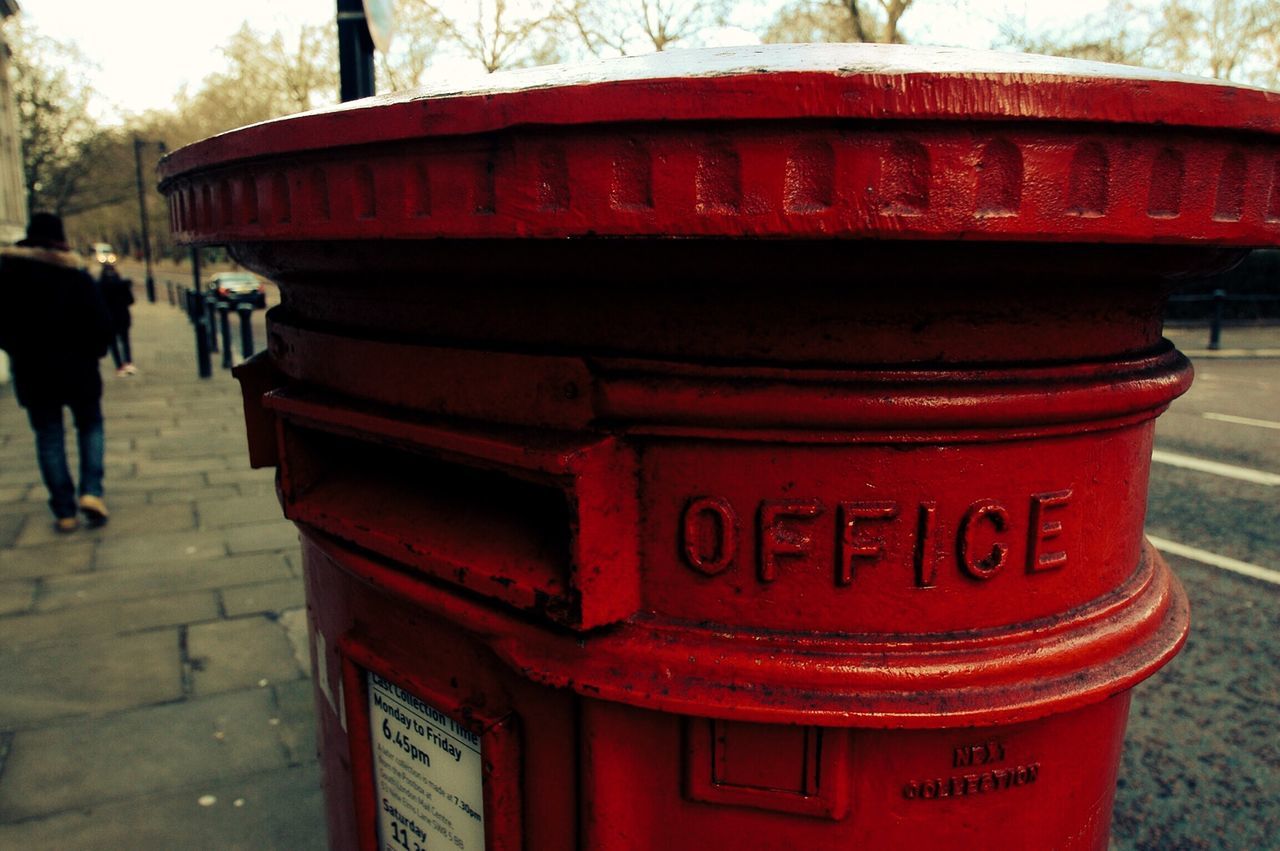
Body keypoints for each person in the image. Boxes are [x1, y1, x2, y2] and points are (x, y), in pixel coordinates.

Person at [0, 213, 114, 532]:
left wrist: (19, 352)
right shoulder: (75, 275)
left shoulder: (8, 275)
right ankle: (91, 491)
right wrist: (94, 351)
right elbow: (103, 324)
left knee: (49, 437)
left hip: (33, 373)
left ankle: (64, 511)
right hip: (79, 369)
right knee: (90, 426)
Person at [99, 264, 137, 376]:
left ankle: (119, 367)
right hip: (122, 316)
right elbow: (131, 301)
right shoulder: (123, 285)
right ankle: (128, 363)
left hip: (108, 318)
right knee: (125, 340)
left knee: (113, 343)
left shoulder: (99, 286)